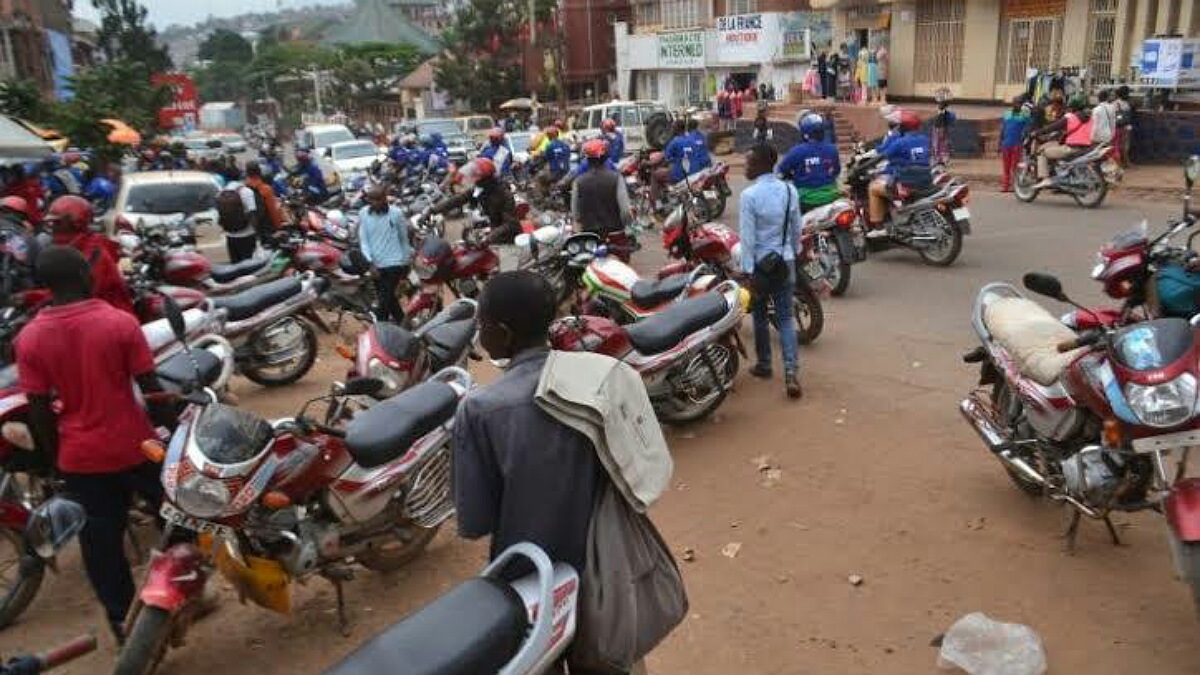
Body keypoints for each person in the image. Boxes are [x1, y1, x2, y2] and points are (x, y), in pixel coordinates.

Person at [18, 245, 167, 642]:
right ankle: (176, 594)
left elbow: (39, 411)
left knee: (101, 546)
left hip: (80, 458)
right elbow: (152, 391)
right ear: (85, 276)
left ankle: (122, 623)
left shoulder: (29, 338)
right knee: (176, 519)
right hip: (136, 446)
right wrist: (173, 430)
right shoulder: (119, 322)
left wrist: (57, 463)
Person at [739, 144, 802, 399]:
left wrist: (747, 271)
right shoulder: (789, 190)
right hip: (785, 262)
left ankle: (764, 364)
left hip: (761, 265)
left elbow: (747, 238)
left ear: (763, 164)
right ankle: (791, 372)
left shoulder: (749, 196)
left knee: (760, 315)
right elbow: (796, 227)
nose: (746, 167)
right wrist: (793, 251)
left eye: (749, 163)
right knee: (786, 319)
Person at [44, 196, 133, 315]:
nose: (53, 228)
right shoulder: (76, 248)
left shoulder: (92, 254)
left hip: (108, 318)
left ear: (76, 223)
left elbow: (76, 296)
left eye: (57, 223)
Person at [431, 158, 520, 244]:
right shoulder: (481, 189)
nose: (474, 180)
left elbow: (510, 224)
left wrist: (489, 238)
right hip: (493, 232)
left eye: (476, 177)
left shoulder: (504, 194)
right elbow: (458, 199)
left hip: (507, 240)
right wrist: (433, 210)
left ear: (485, 179)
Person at [868, 109, 930, 229]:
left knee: (873, 188)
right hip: (925, 181)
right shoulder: (924, 139)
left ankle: (878, 226)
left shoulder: (900, 142)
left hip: (907, 184)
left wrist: (870, 162)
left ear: (903, 127)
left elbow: (882, 155)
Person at [358, 186, 411, 323]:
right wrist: (370, 263)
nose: (377, 203)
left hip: (394, 263)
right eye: (373, 200)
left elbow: (403, 239)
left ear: (385, 198)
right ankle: (403, 323)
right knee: (390, 300)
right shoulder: (363, 214)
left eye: (380, 199)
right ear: (368, 200)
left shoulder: (396, 214)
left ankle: (381, 327)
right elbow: (364, 241)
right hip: (376, 265)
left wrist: (406, 263)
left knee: (383, 303)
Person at [777, 113, 841, 213]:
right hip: (831, 197)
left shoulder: (796, 151)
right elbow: (836, 171)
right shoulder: (832, 149)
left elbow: (781, 171)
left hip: (805, 200)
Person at [572, 139, 631, 237]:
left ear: (587, 158)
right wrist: (627, 225)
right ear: (605, 157)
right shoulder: (616, 178)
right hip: (615, 231)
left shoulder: (578, 181)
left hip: (590, 235)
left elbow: (575, 213)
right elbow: (625, 211)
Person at [1033, 93, 1090, 188]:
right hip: (1086, 148)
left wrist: (1038, 132)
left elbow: (1053, 127)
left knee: (1042, 152)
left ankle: (1046, 179)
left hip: (1072, 148)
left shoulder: (1070, 117)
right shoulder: (1089, 117)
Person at [216, 167, 260, 264]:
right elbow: (252, 213)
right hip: (247, 234)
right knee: (250, 265)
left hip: (230, 235)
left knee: (236, 265)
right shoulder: (246, 191)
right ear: (240, 176)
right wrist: (257, 233)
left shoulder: (221, 193)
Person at [999, 96, 1032, 193]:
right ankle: (1005, 186)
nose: (1017, 105)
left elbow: (1028, 128)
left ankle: (1014, 186)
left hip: (1017, 144)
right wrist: (1000, 142)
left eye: (1019, 103)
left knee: (1015, 167)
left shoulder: (1025, 116)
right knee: (1006, 167)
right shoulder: (1007, 114)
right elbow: (1003, 129)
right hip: (1006, 144)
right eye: (1015, 103)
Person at [244, 161, 284, 239]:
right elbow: (273, 211)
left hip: (251, 228)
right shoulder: (266, 189)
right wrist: (278, 227)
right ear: (259, 172)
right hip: (266, 228)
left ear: (247, 173)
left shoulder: (244, 188)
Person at [535, 126, 572, 199]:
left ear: (549, 136)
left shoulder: (549, 145)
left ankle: (544, 198)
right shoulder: (565, 145)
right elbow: (568, 156)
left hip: (554, 173)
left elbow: (546, 158)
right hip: (566, 171)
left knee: (539, 177)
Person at [931, 96, 956, 166]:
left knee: (940, 144)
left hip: (941, 129)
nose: (938, 106)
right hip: (939, 129)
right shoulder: (944, 114)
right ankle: (940, 159)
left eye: (940, 104)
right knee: (940, 144)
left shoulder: (944, 114)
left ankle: (942, 159)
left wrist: (941, 129)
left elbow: (942, 123)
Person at [1114, 85, 1133, 167]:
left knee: (1118, 145)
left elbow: (1115, 115)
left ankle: (1121, 162)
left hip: (1118, 126)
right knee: (1124, 145)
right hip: (1125, 126)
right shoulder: (1127, 103)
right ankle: (1125, 162)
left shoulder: (1116, 103)